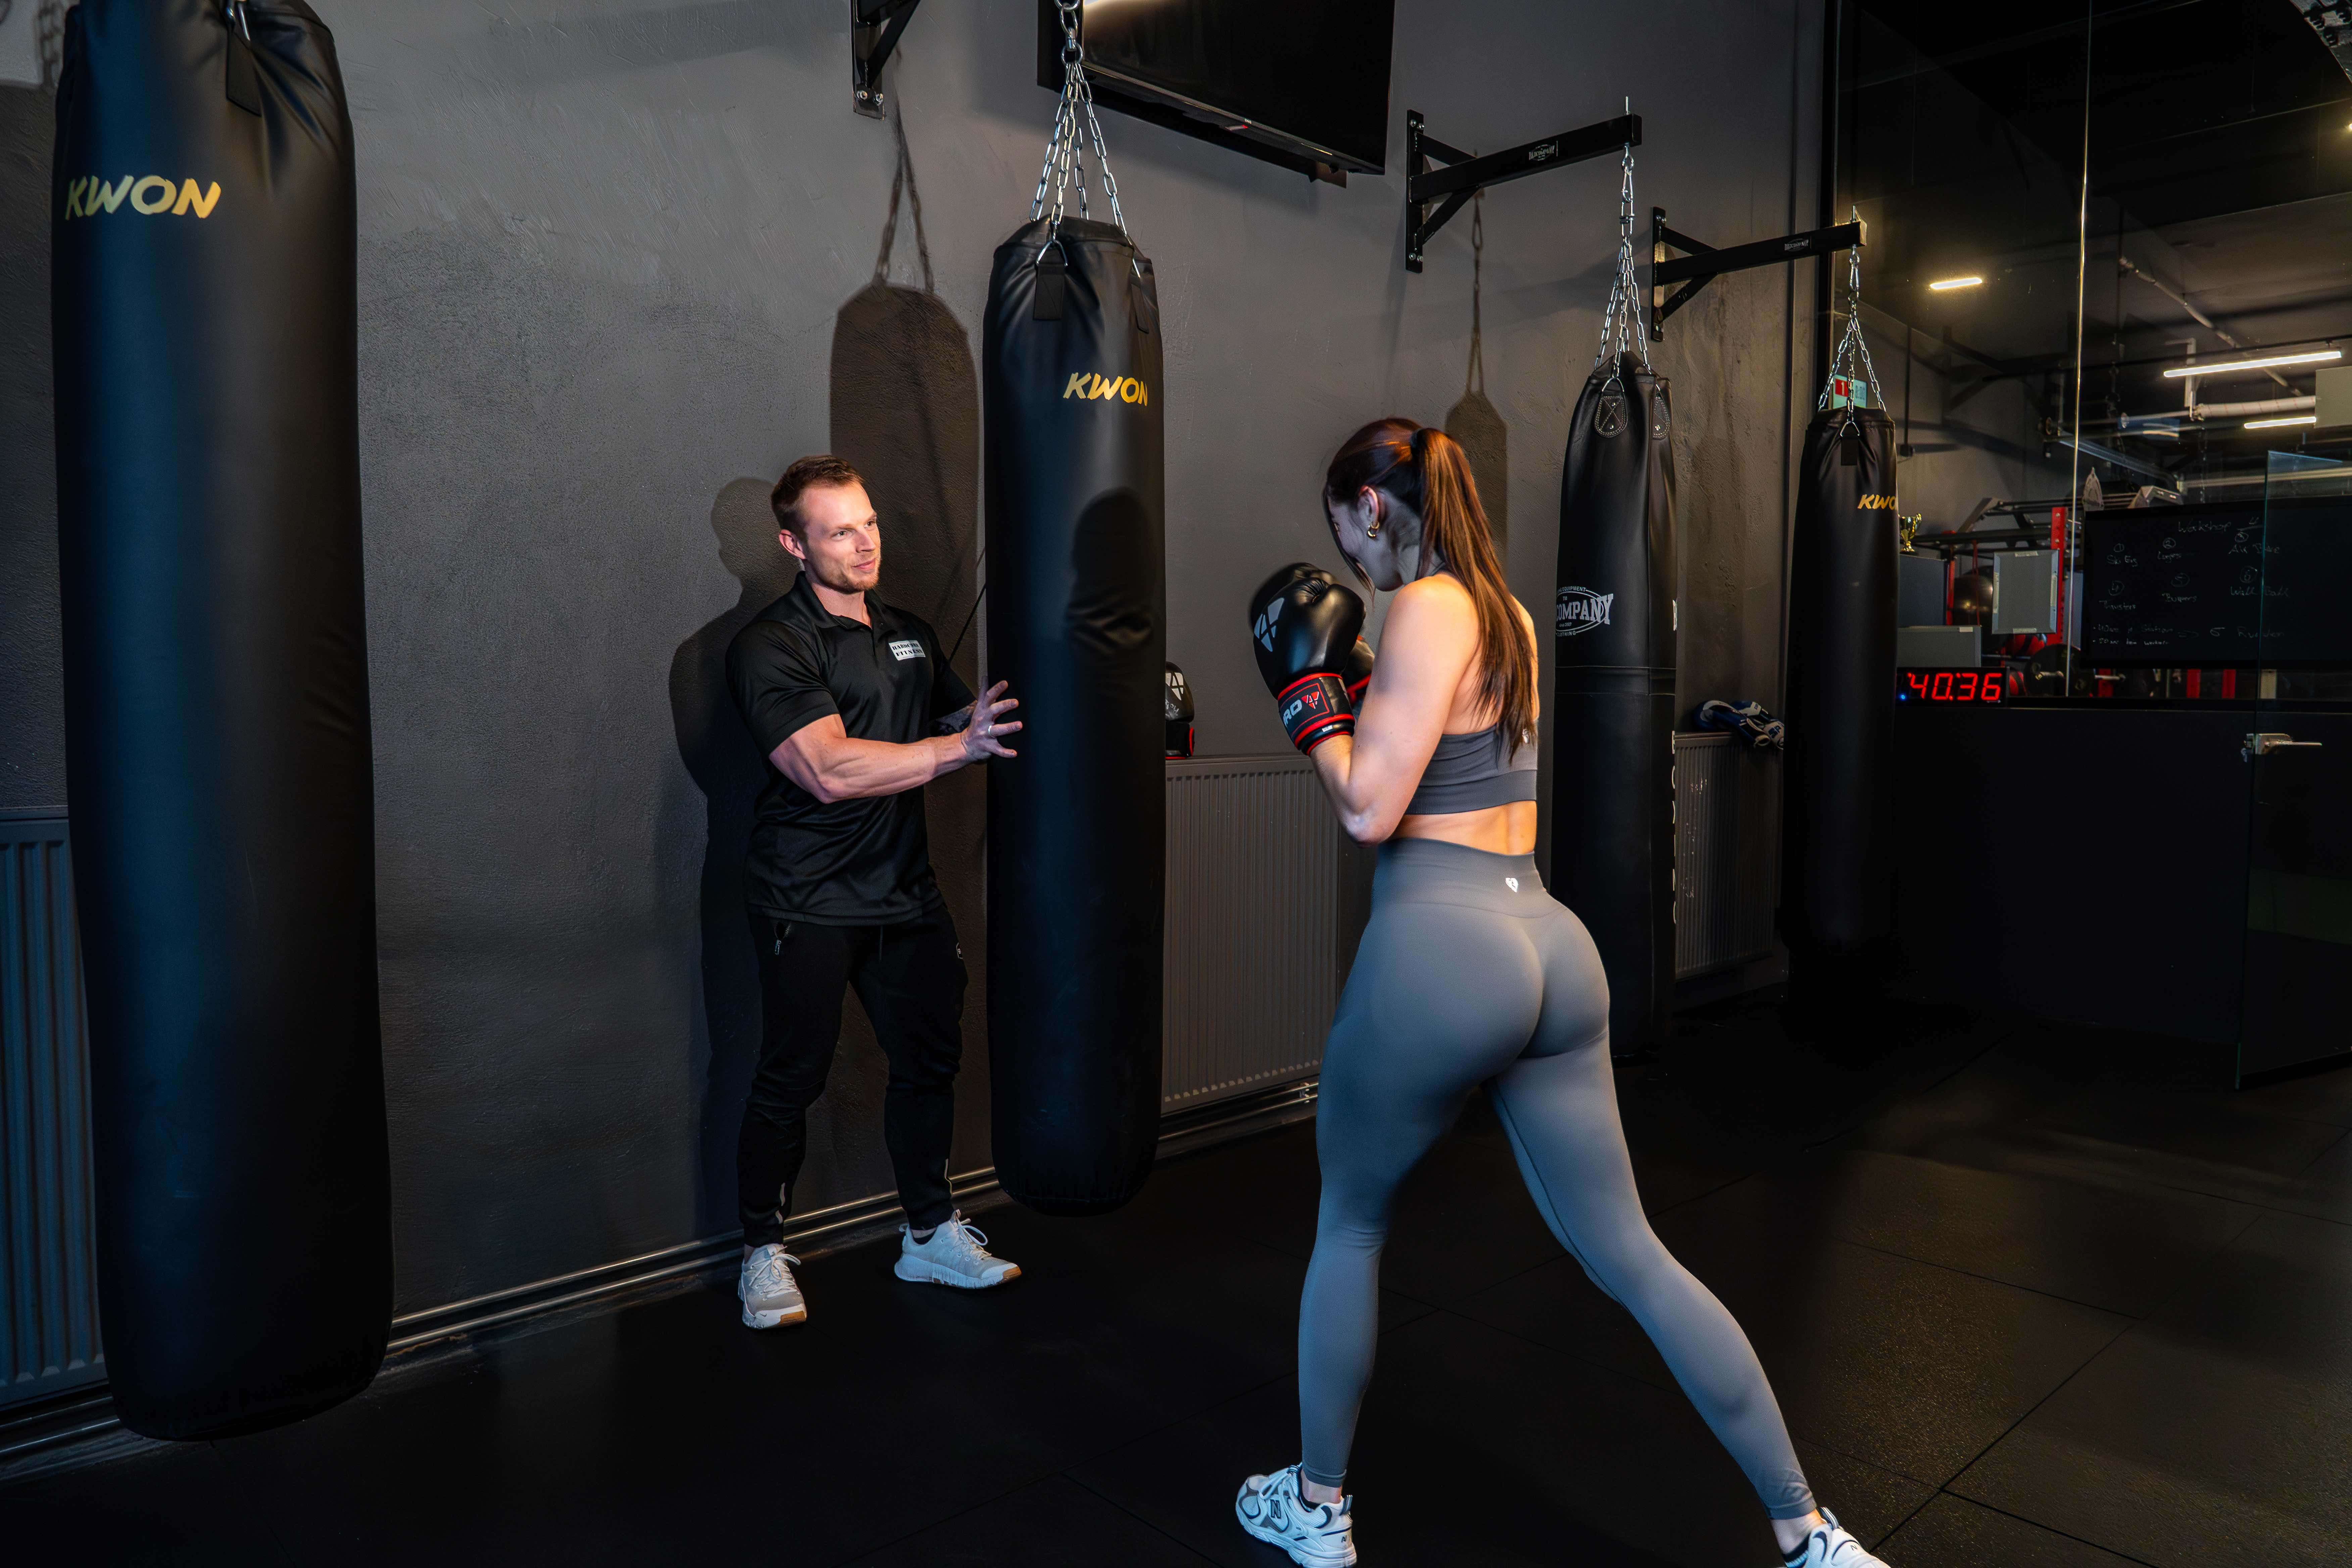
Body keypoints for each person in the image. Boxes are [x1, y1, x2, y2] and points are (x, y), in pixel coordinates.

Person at [1233, 421, 1890, 1568]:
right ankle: (1810, 1529)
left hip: (1440, 946)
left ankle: (1319, 1509)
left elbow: (1369, 812)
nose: (1354, 566)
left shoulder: (1425, 607)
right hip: (1548, 941)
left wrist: (1307, 704)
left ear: (1373, 511)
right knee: (1635, 1253)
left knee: (1352, 1223)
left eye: (1349, 538)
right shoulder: (1512, 615)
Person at [723, 454, 1024, 1329]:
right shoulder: (772, 646)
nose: (864, 544)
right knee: (791, 1079)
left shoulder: (912, 635)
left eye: (871, 523)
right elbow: (824, 767)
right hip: (805, 896)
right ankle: (761, 1253)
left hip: (904, 895)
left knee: (930, 1062)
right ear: (793, 543)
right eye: (840, 531)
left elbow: (965, 725)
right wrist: (955, 752)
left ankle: (928, 1234)